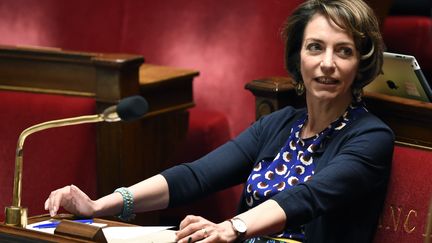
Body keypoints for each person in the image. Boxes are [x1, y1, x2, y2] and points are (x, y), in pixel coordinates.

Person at [44, 0, 394, 242]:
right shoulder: (281, 124)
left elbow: (307, 197)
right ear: (298, 56)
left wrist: (231, 228)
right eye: (315, 47)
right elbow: (197, 175)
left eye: (343, 51)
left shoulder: (370, 137)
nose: (327, 63)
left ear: (360, 64)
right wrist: (100, 205)